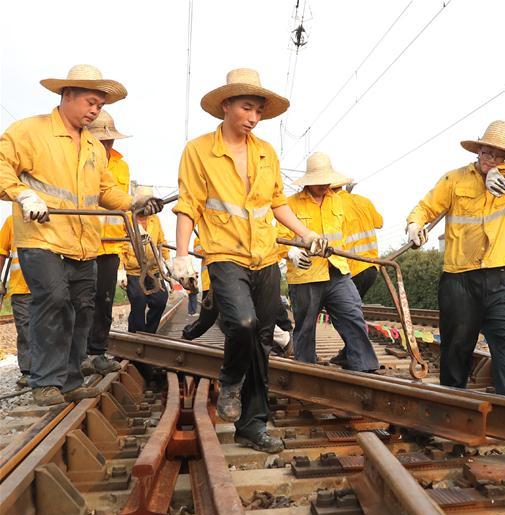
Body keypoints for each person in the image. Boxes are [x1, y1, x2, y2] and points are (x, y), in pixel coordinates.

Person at [171, 68, 325, 453]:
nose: (254, 117)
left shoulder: (265, 152)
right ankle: (231, 377)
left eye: (258, 110)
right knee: (242, 323)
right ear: (226, 106)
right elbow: (188, 204)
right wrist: (182, 254)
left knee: (260, 340)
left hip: (266, 257)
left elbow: (276, 204)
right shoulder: (199, 150)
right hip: (224, 254)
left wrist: (304, 234)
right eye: (247, 108)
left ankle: (252, 424)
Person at [0, 65, 163, 406]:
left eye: (100, 105)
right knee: (54, 301)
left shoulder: (91, 145)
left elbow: (106, 190)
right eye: (91, 102)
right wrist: (23, 195)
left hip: (82, 243)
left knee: (82, 308)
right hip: (42, 239)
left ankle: (71, 380)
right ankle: (45, 381)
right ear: (67, 95)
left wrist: (135, 203)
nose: (95, 111)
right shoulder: (30, 132)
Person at [406, 120, 505, 398]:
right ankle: (453, 403)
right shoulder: (454, 179)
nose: (491, 159)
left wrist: (500, 171)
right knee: (457, 347)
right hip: (459, 278)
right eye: (487, 153)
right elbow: (425, 208)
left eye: (499, 155)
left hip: (498, 277)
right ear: (478, 151)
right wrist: (414, 225)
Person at [278, 153, 379, 372]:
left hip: (337, 271)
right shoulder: (290, 205)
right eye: (319, 181)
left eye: (327, 180)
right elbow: (275, 235)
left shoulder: (339, 202)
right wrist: (290, 251)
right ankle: (305, 373)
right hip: (306, 275)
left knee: (353, 314)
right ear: (308, 181)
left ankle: (366, 369)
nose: (324, 185)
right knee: (305, 327)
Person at [84, 109, 130, 374]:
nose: (107, 145)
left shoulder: (122, 166)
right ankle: (77, 356)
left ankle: (97, 352)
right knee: (79, 301)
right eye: (102, 140)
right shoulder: (79, 160)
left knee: (104, 301)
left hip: (111, 244)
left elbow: (122, 207)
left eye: (110, 140)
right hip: (83, 241)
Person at [329, 181, 382, 366]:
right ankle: (349, 351)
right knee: (350, 313)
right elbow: (379, 222)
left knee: (343, 314)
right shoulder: (363, 200)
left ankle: (354, 354)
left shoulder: (333, 206)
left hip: (352, 269)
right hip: (372, 267)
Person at [120, 205, 169, 334]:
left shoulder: (155, 219)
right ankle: (136, 337)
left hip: (153, 268)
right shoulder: (126, 219)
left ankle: (149, 333)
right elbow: (119, 245)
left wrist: (168, 261)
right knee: (138, 301)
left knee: (161, 299)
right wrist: (121, 270)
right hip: (134, 270)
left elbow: (161, 242)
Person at [0, 214, 31, 387]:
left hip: (47, 287)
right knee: (26, 330)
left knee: (50, 329)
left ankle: (50, 371)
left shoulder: (55, 218)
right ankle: (28, 372)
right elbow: (1, 251)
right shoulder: (12, 221)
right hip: (21, 287)